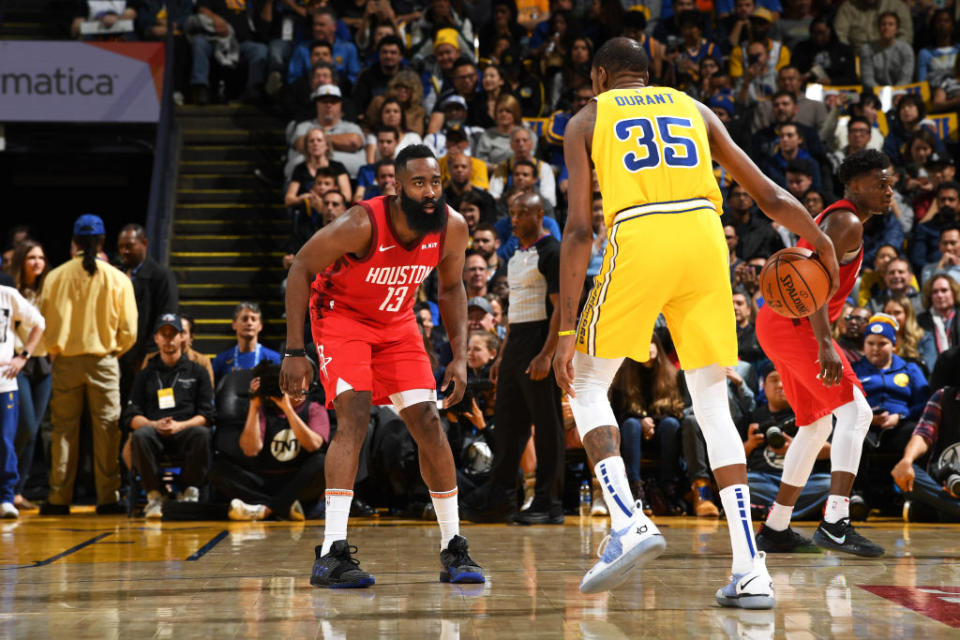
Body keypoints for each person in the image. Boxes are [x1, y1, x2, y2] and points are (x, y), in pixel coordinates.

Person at [555, 37, 840, 604]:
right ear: (648, 74)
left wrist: (566, 330)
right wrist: (820, 241)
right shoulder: (695, 107)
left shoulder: (586, 118)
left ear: (600, 76)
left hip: (641, 232)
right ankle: (749, 567)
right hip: (707, 239)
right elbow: (768, 193)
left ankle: (626, 520)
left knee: (584, 381)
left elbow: (581, 230)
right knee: (711, 403)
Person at [280, 144, 484, 588]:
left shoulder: (451, 226)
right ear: (397, 186)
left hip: (397, 325)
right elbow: (300, 268)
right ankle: (332, 552)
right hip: (341, 318)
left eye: (435, 182)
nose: (430, 192)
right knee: (353, 416)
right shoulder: (360, 223)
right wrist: (296, 351)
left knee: (429, 422)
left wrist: (461, 356)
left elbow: (450, 291)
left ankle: (454, 546)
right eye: (419, 183)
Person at [753, 150, 893, 558]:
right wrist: (826, 342)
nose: (888, 191)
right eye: (879, 183)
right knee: (857, 413)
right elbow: (810, 283)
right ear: (854, 186)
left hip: (780, 323)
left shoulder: (845, 220)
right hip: (796, 324)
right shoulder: (846, 220)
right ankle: (835, 522)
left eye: (890, 183)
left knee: (815, 427)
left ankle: (776, 526)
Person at [39, 214, 138, 515]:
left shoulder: (55, 276)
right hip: (103, 361)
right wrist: (113, 352)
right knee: (107, 430)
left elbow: (43, 323)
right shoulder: (118, 278)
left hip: (66, 361)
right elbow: (130, 329)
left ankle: (58, 498)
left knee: (63, 431)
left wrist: (54, 350)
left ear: (75, 243)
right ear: (103, 241)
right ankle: (108, 497)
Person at [479, 192, 564, 524]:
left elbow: (561, 309)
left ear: (539, 214)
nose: (514, 219)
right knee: (508, 425)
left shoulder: (554, 251)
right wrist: (501, 354)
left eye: (522, 213)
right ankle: (500, 499)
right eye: (512, 213)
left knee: (546, 425)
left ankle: (549, 502)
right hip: (515, 344)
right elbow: (513, 311)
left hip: (541, 340)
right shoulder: (514, 255)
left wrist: (547, 354)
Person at [123, 314, 215, 519]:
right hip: (155, 431)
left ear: (182, 337)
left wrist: (180, 426)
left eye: (173, 334)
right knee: (140, 435)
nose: (168, 339)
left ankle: (188, 491)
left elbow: (206, 414)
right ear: (156, 338)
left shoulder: (197, 371)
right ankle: (155, 495)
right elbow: (131, 415)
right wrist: (153, 424)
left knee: (202, 433)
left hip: (185, 430)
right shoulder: (145, 373)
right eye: (163, 334)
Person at [211, 361, 328, 522]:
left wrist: (288, 410)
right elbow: (250, 450)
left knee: (323, 463)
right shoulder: (263, 409)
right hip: (264, 480)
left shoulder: (315, 409)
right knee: (218, 469)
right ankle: (284, 508)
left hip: (297, 481)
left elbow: (313, 445)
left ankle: (265, 510)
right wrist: (253, 405)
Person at [743, 366, 831, 534]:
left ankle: (767, 511)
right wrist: (750, 444)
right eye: (774, 380)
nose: (781, 385)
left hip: (803, 481)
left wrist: (797, 447)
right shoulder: (753, 416)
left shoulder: (809, 413)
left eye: (785, 379)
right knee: (743, 483)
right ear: (764, 386)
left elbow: (832, 450)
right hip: (764, 480)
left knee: (829, 484)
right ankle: (800, 511)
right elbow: (736, 456)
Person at [10, 240, 51, 511]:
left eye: (41, 257)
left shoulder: (49, 289)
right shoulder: (12, 292)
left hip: (44, 363)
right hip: (19, 363)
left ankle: (16, 491)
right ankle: (7, 483)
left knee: (34, 431)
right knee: (23, 426)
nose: (37, 262)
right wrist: (20, 355)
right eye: (31, 257)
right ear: (21, 262)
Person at [116, 224, 178, 402]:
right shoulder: (117, 275)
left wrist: (149, 355)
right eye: (121, 246)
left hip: (147, 358)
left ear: (144, 243)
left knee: (155, 407)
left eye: (129, 245)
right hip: (120, 357)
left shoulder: (161, 276)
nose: (124, 251)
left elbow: (167, 318)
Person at [0, 284, 45, 518]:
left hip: (4, 380)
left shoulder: (7, 295)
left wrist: (23, 356)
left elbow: (40, 322)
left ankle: (6, 497)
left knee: (6, 441)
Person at [892, 385, 960, 522]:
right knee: (911, 475)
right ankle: (946, 509)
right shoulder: (943, 396)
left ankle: (941, 510)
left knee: (932, 505)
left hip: (939, 495)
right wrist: (907, 460)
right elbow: (923, 434)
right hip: (941, 482)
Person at [212, 303, 282, 382]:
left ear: (260, 326)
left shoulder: (274, 359)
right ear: (234, 325)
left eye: (253, 319)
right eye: (244, 319)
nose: (249, 323)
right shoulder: (221, 360)